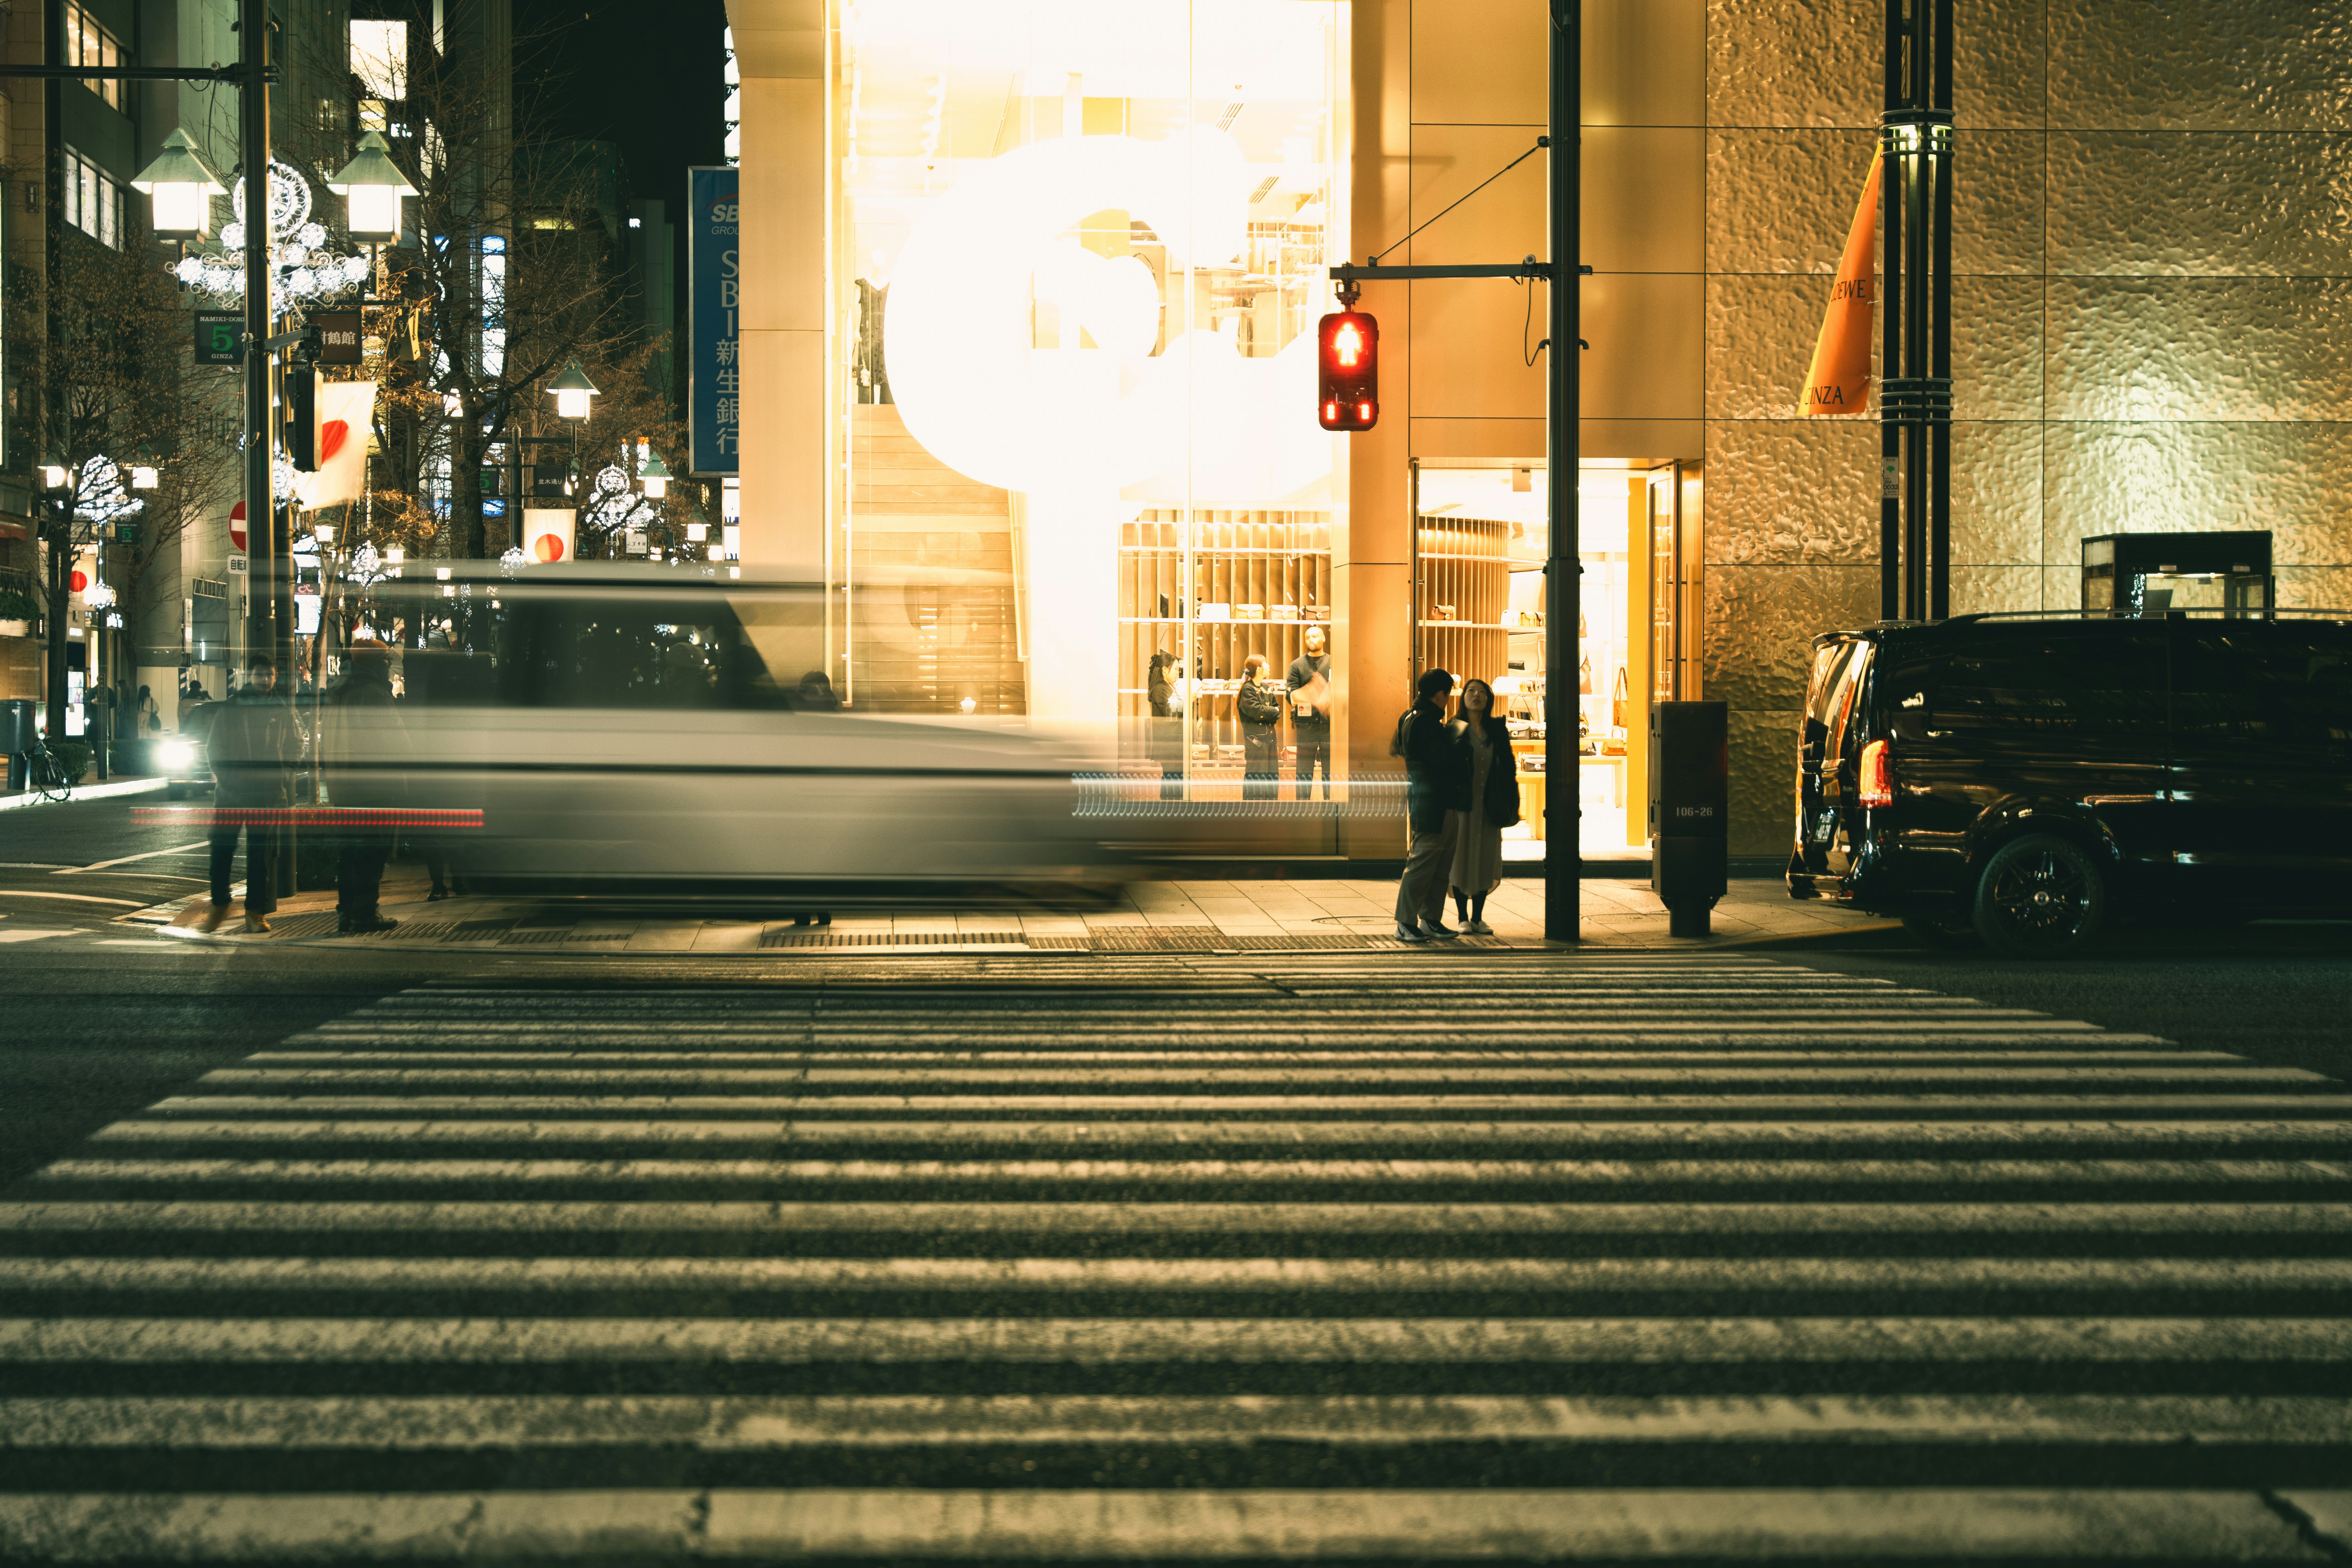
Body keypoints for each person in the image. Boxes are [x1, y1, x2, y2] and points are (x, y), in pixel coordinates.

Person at [199, 658, 297, 934]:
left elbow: (295, 745)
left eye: (270, 675)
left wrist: (283, 775)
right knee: (221, 851)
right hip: (231, 793)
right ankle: (220, 905)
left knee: (260, 856)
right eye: (260, 675)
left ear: (276, 677)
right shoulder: (232, 707)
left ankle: (255, 913)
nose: (265, 680)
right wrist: (230, 780)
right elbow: (214, 749)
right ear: (249, 676)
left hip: (265, 794)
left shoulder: (281, 709)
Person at [321, 643, 404, 934]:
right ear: (374, 664)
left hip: (343, 788)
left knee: (350, 853)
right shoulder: (371, 695)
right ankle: (365, 913)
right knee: (371, 853)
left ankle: (347, 911)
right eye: (384, 661)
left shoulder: (337, 692)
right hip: (373, 788)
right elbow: (392, 744)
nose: (387, 665)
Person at [1391, 667, 1468, 943]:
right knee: (1424, 863)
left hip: (1435, 800)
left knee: (1439, 863)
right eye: (1449, 694)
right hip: (1432, 801)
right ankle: (1405, 922)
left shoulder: (1412, 716)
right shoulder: (1425, 722)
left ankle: (1431, 919)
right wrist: (1458, 742)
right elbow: (1443, 761)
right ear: (1441, 694)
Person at [1447, 677, 1520, 934]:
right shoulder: (1455, 728)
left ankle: (1478, 918)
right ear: (1463, 697)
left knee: (1485, 856)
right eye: (1471, 691)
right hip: (1463, 805)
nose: (1476, 695)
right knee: (1461, 857)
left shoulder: (1497, 730)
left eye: (1482, 692)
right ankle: (1462, 917)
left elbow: (1509, 767)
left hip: (1489, 805)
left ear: (1488, 700)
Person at [1286, 624, 1333, 799]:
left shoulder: (1335, 662)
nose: (1311, 640)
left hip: (1330, 727)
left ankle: (1331, 804)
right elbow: (1290, 696)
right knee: (1304, 769)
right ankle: (1302, 806)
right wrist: (1310, 693)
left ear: (1324, 638)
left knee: (1331, 769)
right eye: (1308, 637)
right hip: (1306, 726)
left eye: (1315, 636)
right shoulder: (1297, 665)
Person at [1236, 653, 1281, 801]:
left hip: (1271, 741)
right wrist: (1272, 711)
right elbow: (1257, 712)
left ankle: (1270, 816)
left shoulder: (1266, 687)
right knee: (1256, 779)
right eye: (1266, 664)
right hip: (1256, 743)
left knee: (1272, 779)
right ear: (1259, 669)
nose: (1269, 666)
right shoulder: (1248, 690)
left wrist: (1272, 712)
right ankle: (1253, 817)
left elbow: (1277, 710)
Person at [1147, 650, 1183, 801]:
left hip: (1172, 743)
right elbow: (1171, 714)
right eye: (1176, 669)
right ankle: (1171, 812)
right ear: (1165, 670)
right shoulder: (1161, 689)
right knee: (1173, 778)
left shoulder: (1167, 686)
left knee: (1174, 777)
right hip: (1169, 744)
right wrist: (1189, 700)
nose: (1178, 673)